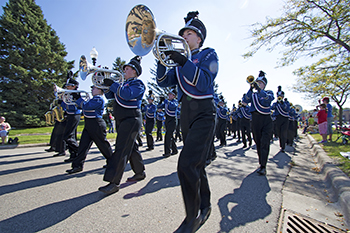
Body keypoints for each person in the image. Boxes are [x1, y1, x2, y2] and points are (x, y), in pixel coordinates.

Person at [156, 11, 219, 232]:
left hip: (203, 111)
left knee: (186, 164)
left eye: (189, 33)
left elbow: (203, 83)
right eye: (182, 32)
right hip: (186, 114)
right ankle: (205, 206)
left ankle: (192, 218)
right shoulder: (180, 64)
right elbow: (163, 81)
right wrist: (161, 57)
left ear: (199, 38)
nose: (183, 36)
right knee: (196, 163)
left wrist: (184, 60)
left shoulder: (208, 55)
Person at [99, 56, 146, 195]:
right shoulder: (122, 85)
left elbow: (127, 95)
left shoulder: (138, 84)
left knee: (121, 149)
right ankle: (140, 172)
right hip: (122, 119)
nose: (124, 70)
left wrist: (113, 84)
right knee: (131, 148)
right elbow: (110, 97)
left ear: (135, 72)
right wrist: (106, 84)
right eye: (124, 68)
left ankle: (113, 182)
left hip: (132, 118)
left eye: (128, 68)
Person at [65, 84, 113, 174]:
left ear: (100, 90)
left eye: (94, 88)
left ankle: (112, 162)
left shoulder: (98, 98)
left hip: (96, 124)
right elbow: (82, 107)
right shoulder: (93, 99)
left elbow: (87, 106)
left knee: (103, 145)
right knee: (83, 146)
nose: (92, 90)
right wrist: (75, 100)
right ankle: (77, 165)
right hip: (89, 123)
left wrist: (79, 99)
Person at [242, 71, 274, 176]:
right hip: (255, 120)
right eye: (257, 82)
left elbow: (267, 100)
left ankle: (263, 166)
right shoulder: (253, 94)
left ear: (264, 85)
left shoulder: (269, 92)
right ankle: (261, 163)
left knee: (265, 142)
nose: (258, 84)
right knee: (258, 142)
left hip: (266, 120)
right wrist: (250, 89)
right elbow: (245, 102)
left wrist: (259, 90)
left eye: (260, 83)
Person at [61, 77, 82, 163]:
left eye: (69, 86)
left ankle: (78, 151)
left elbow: (79, 105)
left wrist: (76, 98)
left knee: (67, 136)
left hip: (75, 115)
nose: (67, 87)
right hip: (69, 115)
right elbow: (64, 106)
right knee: (71, 136)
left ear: (74, 86)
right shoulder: (67, 93)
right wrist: (61, 100)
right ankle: (73, 155)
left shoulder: (76, 94)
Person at [157, 90, 178, 157]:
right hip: (167, 120)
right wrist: (160, 102)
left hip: (173, 120)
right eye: (168, 94)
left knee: (168, 136)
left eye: (170, 94)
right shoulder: (167, 102)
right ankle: (175, 150)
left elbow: (172, 106)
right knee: (170, 136)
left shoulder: (175, 101)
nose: (169, 95)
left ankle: (167, 152)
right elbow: (159, 107)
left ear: (174, 96)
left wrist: (166, 101)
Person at [271, 86, 290, 153]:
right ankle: (281, 144)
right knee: (279, 133)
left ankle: (283, 146)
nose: (280, 97)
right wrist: (276, 103)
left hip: (285, 119)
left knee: (283, 132)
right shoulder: (275, 103)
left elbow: (287, 109)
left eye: (281, 96)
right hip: (278, 119)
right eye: (279, 96)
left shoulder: (286, 103)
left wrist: (282, 103)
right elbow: (272, 108)